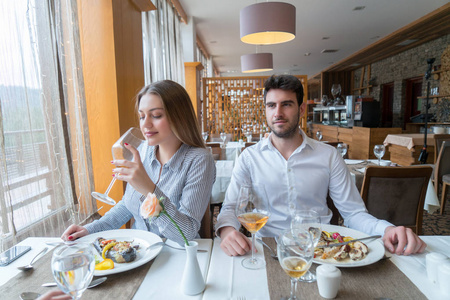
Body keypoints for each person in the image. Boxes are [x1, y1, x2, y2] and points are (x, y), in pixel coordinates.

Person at [216, 74, 426, 257]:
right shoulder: (249, 158)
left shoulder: (329, 156)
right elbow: (231, 208)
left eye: (286, 104)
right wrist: (227, 231)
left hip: (320, 250)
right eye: (271, 105)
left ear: (301, 108)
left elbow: (353, 213)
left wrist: (386, 229)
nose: (277, 113)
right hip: (267, 249)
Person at [62, 80, 215, 244]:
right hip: (139, 251)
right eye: (142, 116)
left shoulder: (199, 160)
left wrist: (150, 190)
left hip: (177, 255)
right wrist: (90, 229)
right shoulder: (142, 150)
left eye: (156, 115)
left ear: (179, 116)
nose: (146, 124)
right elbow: (128, 205)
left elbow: (187, 234)